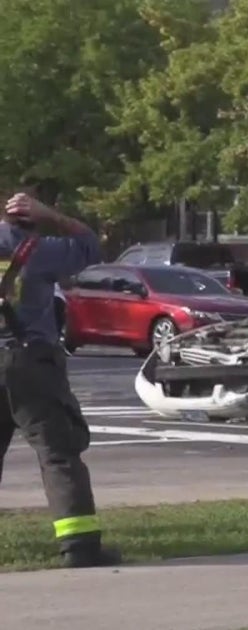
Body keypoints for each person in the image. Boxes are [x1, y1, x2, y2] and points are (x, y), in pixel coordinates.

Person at [0, 192, 121, 568]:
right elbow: (89, 245)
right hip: (29, 361)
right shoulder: (37, 249)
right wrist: (50, 212)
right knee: (58, 453)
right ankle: (79, 547)